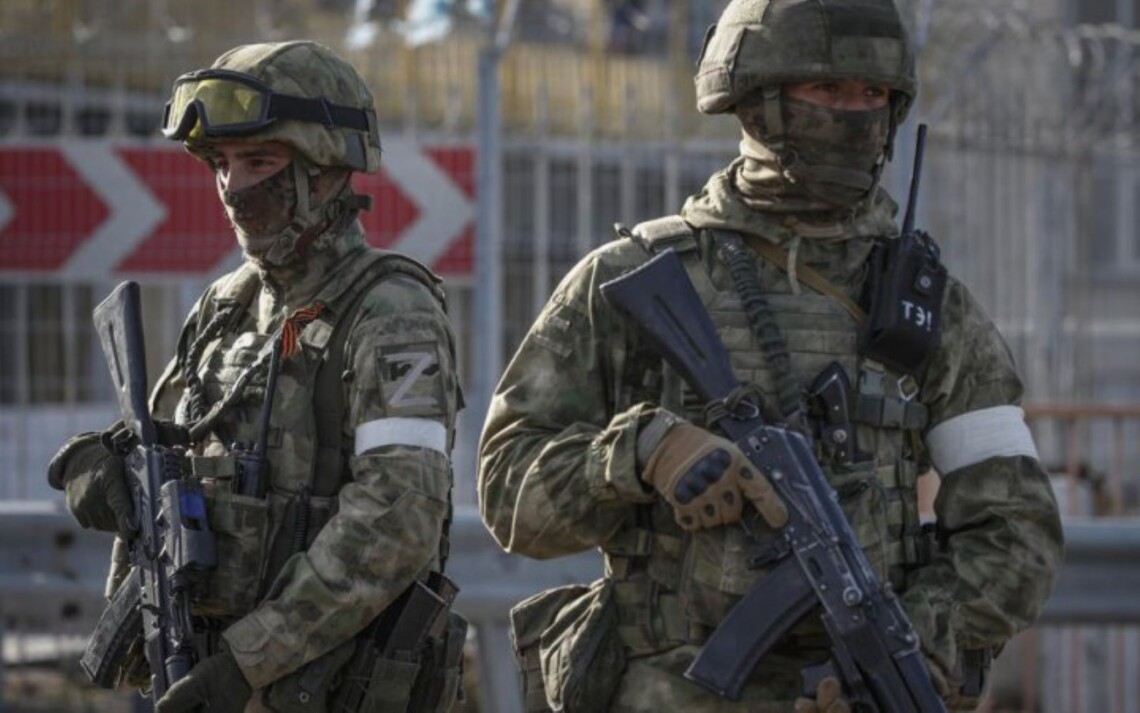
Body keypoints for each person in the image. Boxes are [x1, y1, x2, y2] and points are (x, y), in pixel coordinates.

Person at [477, 1, 1064, 711]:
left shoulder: (929, 310)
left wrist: (910, 647)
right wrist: (640, 452)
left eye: (872, 94)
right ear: (759, 100)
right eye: (829, 89)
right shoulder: (633, 278)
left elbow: (1017, 531)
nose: (855, 112)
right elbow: (508, 494)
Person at [47, 40, 465, 713]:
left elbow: (399, 520)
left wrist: (247, 662)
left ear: (326, 171)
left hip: (323, 688)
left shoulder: (392, 312)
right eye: (221, 163)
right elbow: (173, 456)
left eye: (259, 162)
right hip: (208, 672)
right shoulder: (227, 305)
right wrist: (109, 468)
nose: (233, 187)